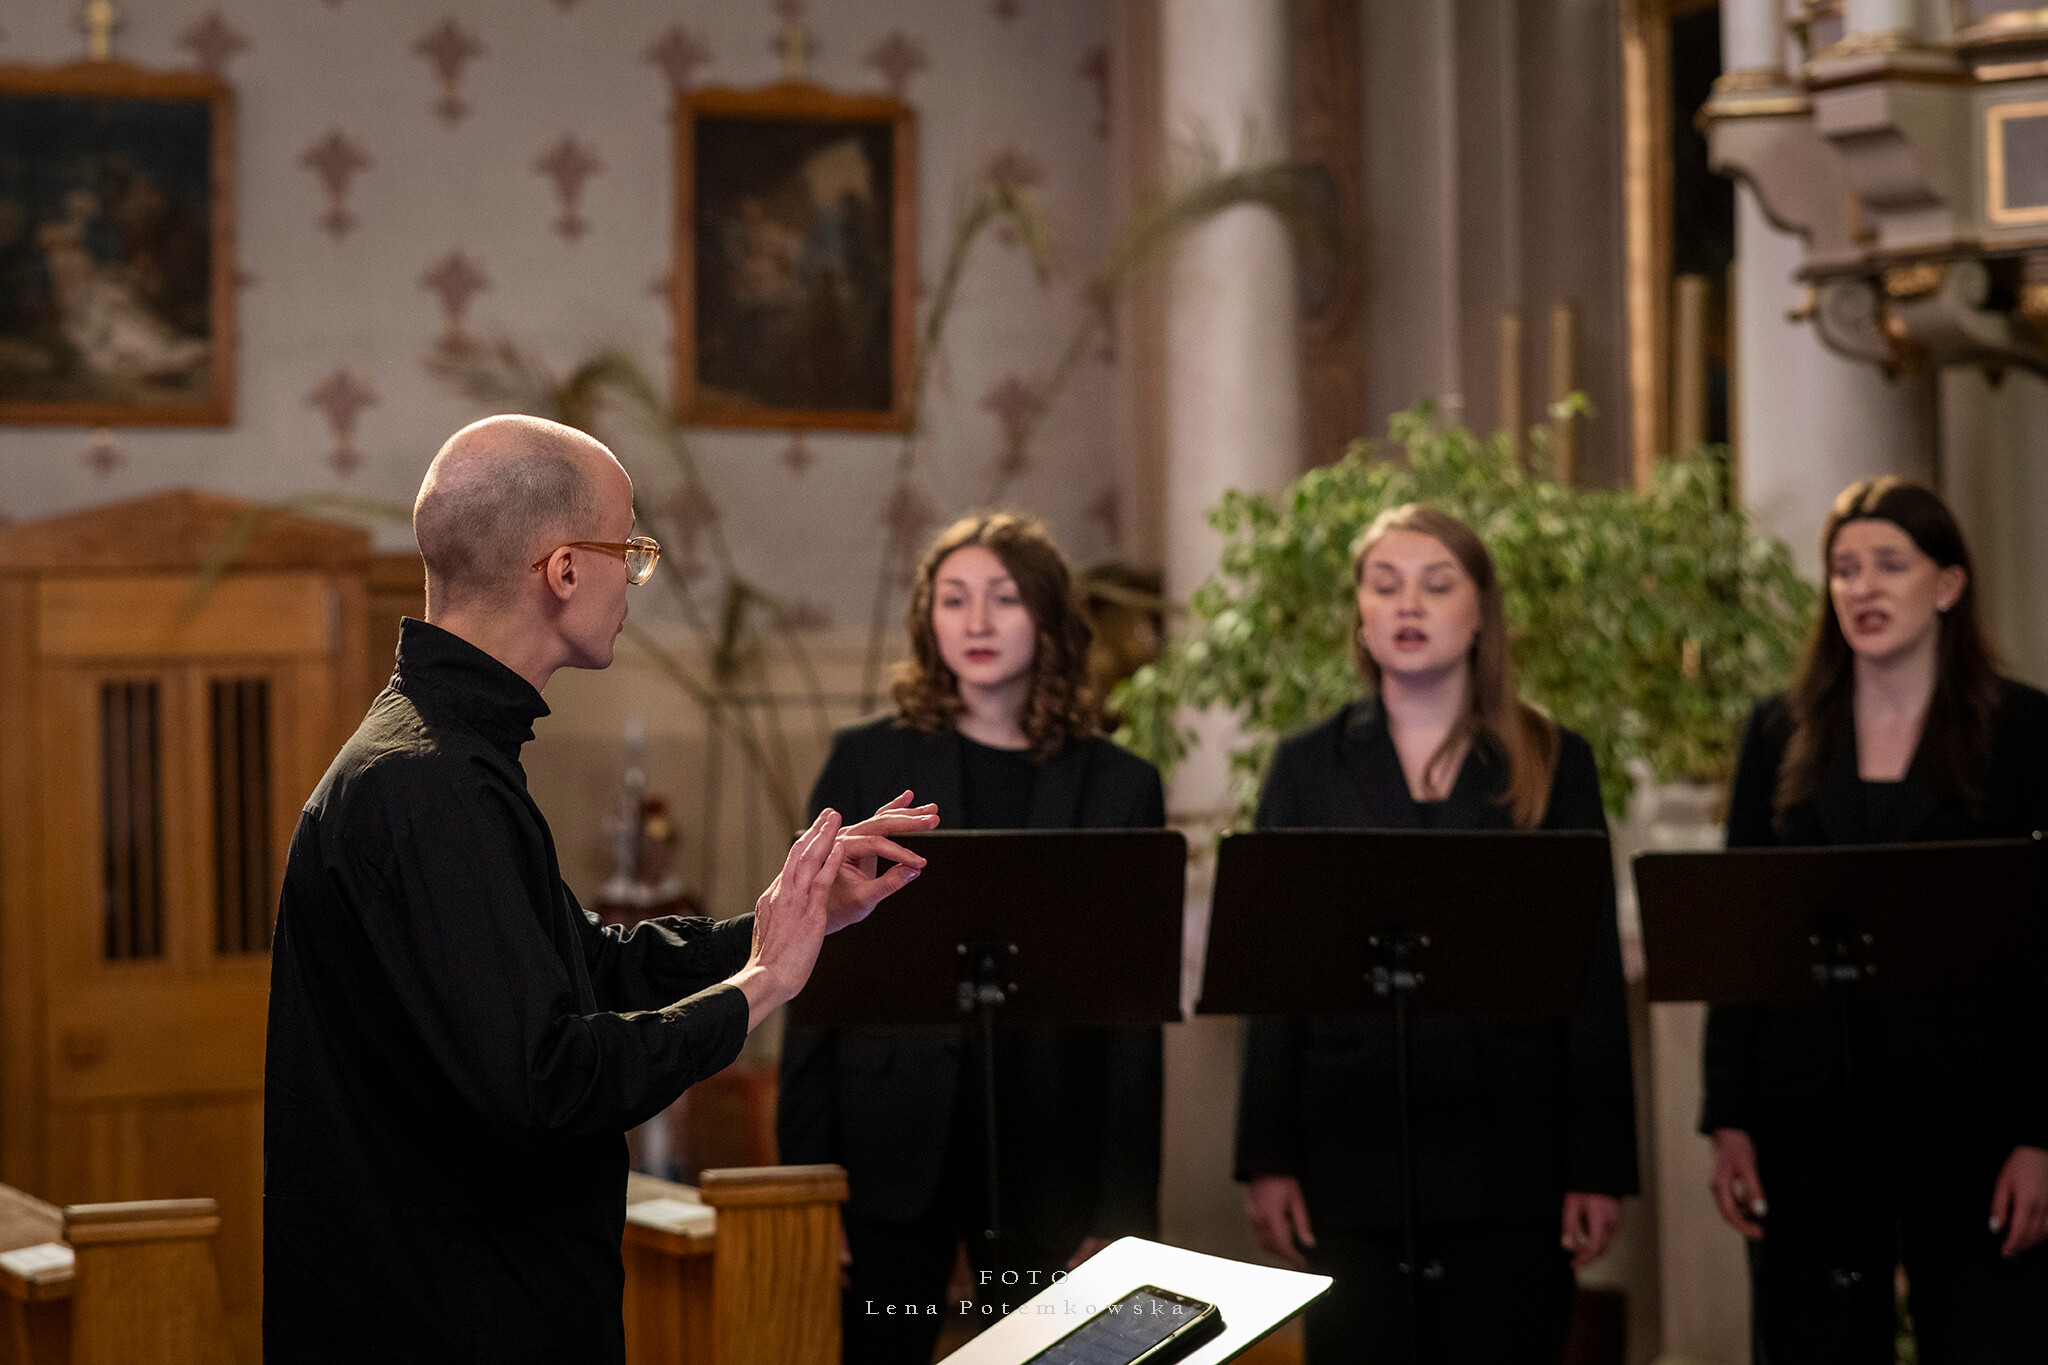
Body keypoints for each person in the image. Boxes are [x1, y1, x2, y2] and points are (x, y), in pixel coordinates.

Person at [263, 415, 937, 1364]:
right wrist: (760, 987)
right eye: (631, 550)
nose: (635, 579)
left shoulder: (447, 757)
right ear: (564, 569)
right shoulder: (430, 783)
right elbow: (547, 1081)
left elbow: (590, 967)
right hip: (451, 1324)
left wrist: (792, 918)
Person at [1234, 504, 1638, 1364]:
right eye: (1385, 585)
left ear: (1481, 609)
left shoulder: (1555, 758)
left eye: (1436, 584)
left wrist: (1598, 1163)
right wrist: (1266, 1155)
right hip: (1351, 1149)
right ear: (1361, 613)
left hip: (1513, 1152)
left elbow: (1591, 967)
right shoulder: (1307, 763)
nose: (1408, 604)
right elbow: (1275, 973)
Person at [777, 513, 1165, 1365]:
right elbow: (815, 970)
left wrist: (1123, 1212)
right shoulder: (864, 760)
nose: (977, 621)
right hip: (886, 1139)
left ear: (1049, 615)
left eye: (1004, 598)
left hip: (1053, 1148)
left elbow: (1134, 1016)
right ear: (929, 620)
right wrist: (806, 1181)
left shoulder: (1122, 784)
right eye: (954, 599)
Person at [1702, 477, 2048, 1361]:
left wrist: (2042, 1135)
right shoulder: (1778, 729)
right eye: (1845, 568)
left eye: (1890, 564)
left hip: (1974, 1107)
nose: (1863, 587)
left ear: (1949, 583)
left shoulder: (2024, 729)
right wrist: (1726, 1114)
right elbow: (1742, 935)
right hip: (1807, 1102)